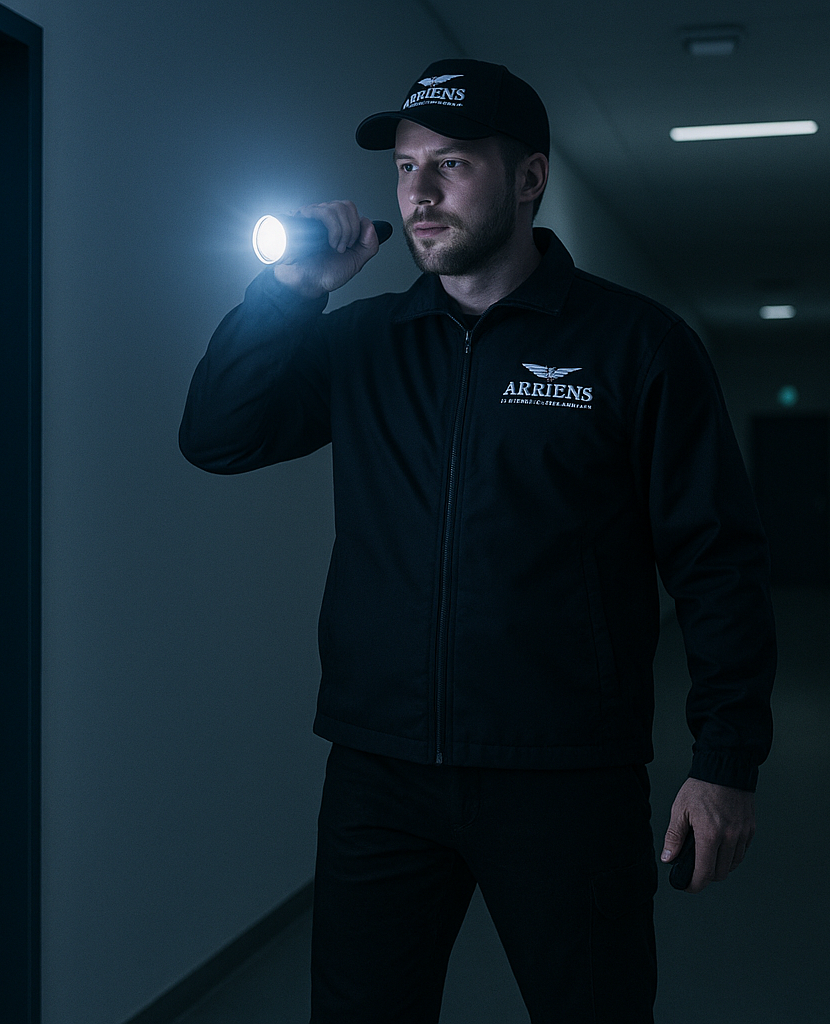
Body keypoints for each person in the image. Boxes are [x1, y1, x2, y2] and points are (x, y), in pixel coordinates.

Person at [179, 58, 775, 1023]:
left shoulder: (634, 346)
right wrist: (287, 293)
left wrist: (726, 761)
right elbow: (219, 436)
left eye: (450, 164)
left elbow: (716, 559)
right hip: (380, 768)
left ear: (529, 179)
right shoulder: (364, 343)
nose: (418, 192)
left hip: (565, 772)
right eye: (407, 168)